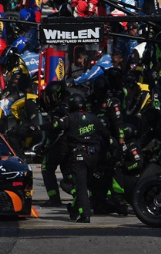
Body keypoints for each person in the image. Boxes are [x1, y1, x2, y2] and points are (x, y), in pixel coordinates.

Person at [61, 92, 107, 223]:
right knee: (86, 184)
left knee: (80, 186)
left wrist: (38, 128)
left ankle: (85, 214)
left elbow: (56, 127)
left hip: (79, 155)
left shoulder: (70, 118)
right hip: (94, 156)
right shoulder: (94, 118)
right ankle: (75, 209)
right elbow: (106, 135)